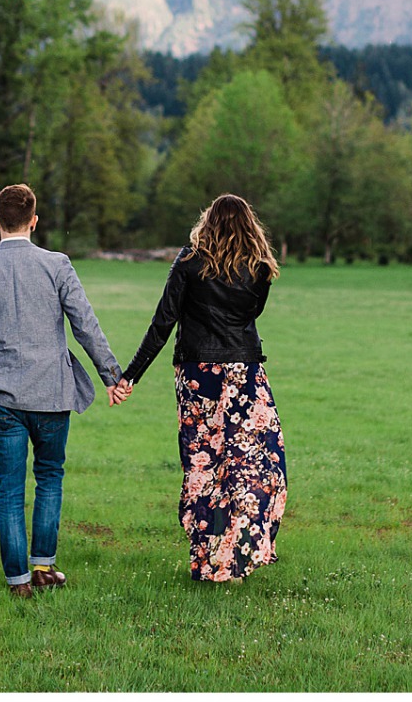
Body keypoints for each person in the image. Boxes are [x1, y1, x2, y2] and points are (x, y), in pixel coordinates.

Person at [0, 183, 123, 598]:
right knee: (49, 477)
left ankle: (18, 583)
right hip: (51, 395)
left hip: (3, 399)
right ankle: (43, 568)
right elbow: (86, 324)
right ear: (34, 221)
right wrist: (112, 376)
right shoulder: (58, 265)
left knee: (9, 489)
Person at [110, 193, 287, 583]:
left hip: (197, 376)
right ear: (248, 224)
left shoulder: (189, 261)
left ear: (208, 222)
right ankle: (238, 557)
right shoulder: (258, 267)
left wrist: (130, 375)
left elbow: (163, 321)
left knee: (203, 465)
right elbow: (250, 315)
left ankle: (208, 560)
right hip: (243, 373)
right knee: (256, 465)